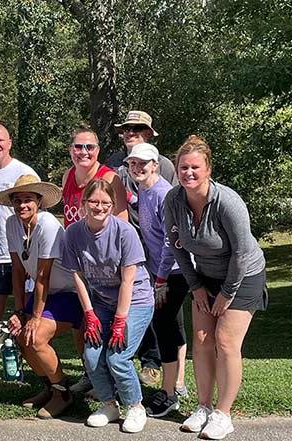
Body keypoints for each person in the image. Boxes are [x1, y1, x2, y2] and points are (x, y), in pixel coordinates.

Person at [165, 135, 267, 440]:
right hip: (206, 276)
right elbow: (177, 246)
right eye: (183, 167)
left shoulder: (228, 202)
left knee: (225, 341)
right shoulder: (174, 200)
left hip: (244, 275)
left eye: (195, 167)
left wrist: (227, 293)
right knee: (202, 340)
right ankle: (204, 407)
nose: (188, 173)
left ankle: (224, 414)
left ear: (208, 169)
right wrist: (195, 285)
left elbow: (241, 253)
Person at [62, 179, 154, 434]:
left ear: (113, 206)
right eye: (93, 201)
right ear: (83, 204)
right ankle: (109, 405)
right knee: (91, 355)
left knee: (117, 356)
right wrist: (89, 314)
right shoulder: (73, 233)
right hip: (101, 301)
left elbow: (128, 281)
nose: (99, 207)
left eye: (105, 203)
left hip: (135, 300)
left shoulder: (125, 232)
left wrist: (120, 321)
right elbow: (77, 276)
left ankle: (135, 407)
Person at [0, 174, 83, 419]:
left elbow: (43, 274)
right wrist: (20, 311)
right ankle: (50, 388)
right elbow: (18, 272)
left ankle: (63, 392)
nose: (22, 205)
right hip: (43, 293)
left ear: (39, 202)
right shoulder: (12, 224)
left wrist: (35, 316)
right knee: (19, 335)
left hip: (69, 292)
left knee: (36, 335)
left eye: (28, 199)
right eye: (17, 200)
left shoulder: (48, 224)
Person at [108, 110, 181, 389]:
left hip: (165, 253)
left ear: (149, 133)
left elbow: (173, 211)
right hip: (131, 246)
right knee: (136, 304)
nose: (130, 132)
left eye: (137, 128)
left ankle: (159, 368)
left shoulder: (163, 164)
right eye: (126, 128)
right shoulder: (115, 163)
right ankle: (134, 359)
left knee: (168, 314)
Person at [61, 124, 129, 396]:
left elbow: (121, 224)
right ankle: (91, 375)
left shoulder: (109, 178)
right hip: (77, 263)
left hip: (103, 267)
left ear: (98, 150)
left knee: (107, 323)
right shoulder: (67, 175)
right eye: (78, 146)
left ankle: (114, 381)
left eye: (90, 147)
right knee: (82, 322)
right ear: (70, 150)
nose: (84, 152)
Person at [125, 143, 189, 418]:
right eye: (133, 164)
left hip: (173, 270)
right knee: (169, 325)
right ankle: (175, 385)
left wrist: (160, 277)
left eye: (143, 163)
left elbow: (169, 241)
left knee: (163, 326)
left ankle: (170, 393)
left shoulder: (164, 193)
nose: (138, 168)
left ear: (155, 164)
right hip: (160, 270)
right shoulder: (144, 189)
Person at [0, 123, 38, 382]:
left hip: (22, 258)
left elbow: (38, 213)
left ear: (9, 142)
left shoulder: (23, 172)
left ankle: (25, 369)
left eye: (0, 140)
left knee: (24, 312)